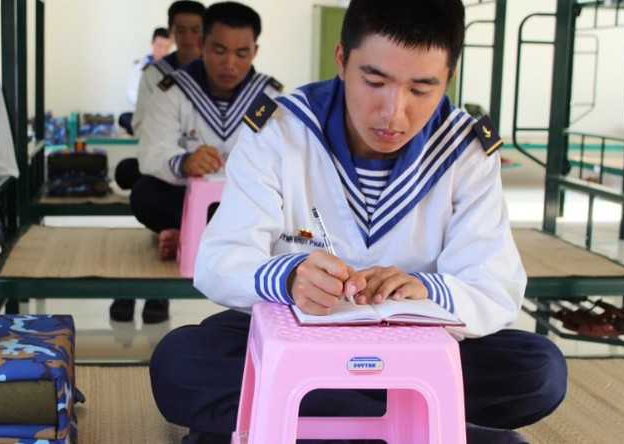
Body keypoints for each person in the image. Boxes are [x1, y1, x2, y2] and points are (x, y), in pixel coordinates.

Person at [149, 1, 568, 443]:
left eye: (422, 89)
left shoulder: (465, 150)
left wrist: (427, 289)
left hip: (418, 343)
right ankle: (417, 421)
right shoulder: (281, 129)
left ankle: (293, 417)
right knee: (180, 361)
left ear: (450, 77)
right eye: (375, 81)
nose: (393, 113)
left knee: (539, 369)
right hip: (297, 334)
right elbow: (219, 259)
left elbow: (494, 284)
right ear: (342, 60)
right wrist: (289, 275)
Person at [111, 2, 283, 325]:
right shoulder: (174, 90)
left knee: (278, 209)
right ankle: (193, 233)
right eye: (219, 50)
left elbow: (275, 158)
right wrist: (184, 161)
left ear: (255, 51)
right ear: (202, 44)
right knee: (144, 192)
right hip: (187, 196)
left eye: (242, 53)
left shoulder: (265, 98)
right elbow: (151, 151)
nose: (230, 63)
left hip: (241, 204)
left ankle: (187, 238)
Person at [115, 0, 206, 189]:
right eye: (181, 30)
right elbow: (141, 126)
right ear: (171, 32)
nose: (188, 37)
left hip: (209, 160)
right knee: (137, 182)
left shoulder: (217, 72)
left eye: (195, 30)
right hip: (168, 158)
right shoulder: (154, 74)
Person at [119, 27, 172, 135]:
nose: (163, 52)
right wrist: (149, 102)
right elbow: (130, 94)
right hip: (145, 112)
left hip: (166, 115)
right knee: (124, 118)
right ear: (152, 43)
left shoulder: (175, 68)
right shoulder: (141, 67)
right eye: (159, 47)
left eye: (166, 47)